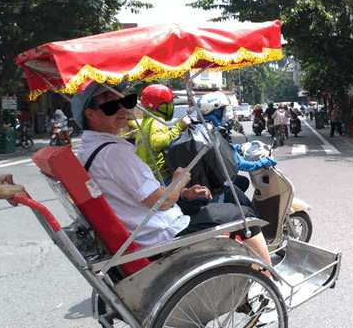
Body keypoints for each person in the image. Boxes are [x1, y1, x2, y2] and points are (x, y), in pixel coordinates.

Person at [71, 82, 272, 266]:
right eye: (110, 105)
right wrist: (179, 180)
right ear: (90, 114)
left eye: (125, 101)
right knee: (243, 214)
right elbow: (161, 202)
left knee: (207, 202)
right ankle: (267, 275)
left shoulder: (89, 151)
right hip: (162, 234)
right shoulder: (114, 153)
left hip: (147, 222)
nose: (123, 109)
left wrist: (183, 193)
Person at [194, 91, 277, 205]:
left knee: (242, 181)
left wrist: (237, 148)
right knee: (250, 209)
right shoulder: (212, 133)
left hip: (209, 180)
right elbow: (238, 163)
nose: (225, 114)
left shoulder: (201, 129)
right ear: (215, 111)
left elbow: (223, 150)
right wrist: (263, 162)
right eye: (223, 110)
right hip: (216, 186)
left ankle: (232, 205)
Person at [135, 84, 191, 182]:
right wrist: (179, 126)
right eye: (169, 103)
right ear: (160, 106)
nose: (171, 106)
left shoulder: (147, 120)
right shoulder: (157, 121)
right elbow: (159, 143)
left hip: (148, 173)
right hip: (160, 175)